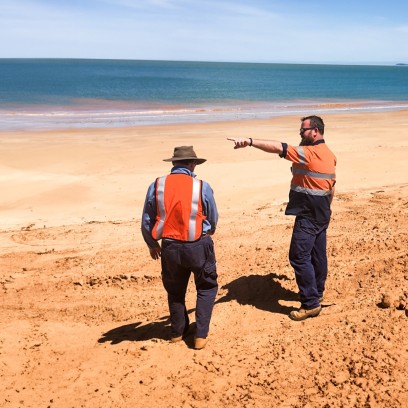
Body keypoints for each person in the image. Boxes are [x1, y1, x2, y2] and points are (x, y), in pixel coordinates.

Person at [227, 115, 336, 321]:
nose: (300, 134)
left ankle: (311, 303)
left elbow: (278, 147)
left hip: (308, 214)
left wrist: (250, 142)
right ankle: (317, 291)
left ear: (315, 131)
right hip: (322, 212)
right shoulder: (329, 154)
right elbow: (332, 187)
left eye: (303, 130)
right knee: (317, 255)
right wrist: (327, 210)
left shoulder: (308, 153)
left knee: (298, 256)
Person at [141, 146, 219, 349]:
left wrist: (152, 244)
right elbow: (212, 216)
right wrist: (208, 232)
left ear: (174, 164)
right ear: (192, 164)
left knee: (175, 290)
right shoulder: (201, 185)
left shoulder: (157, 185)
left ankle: (178, 331)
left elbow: (147, 219)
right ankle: (200, 336)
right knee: (206, 287)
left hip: (169, 246)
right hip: (197, 245)